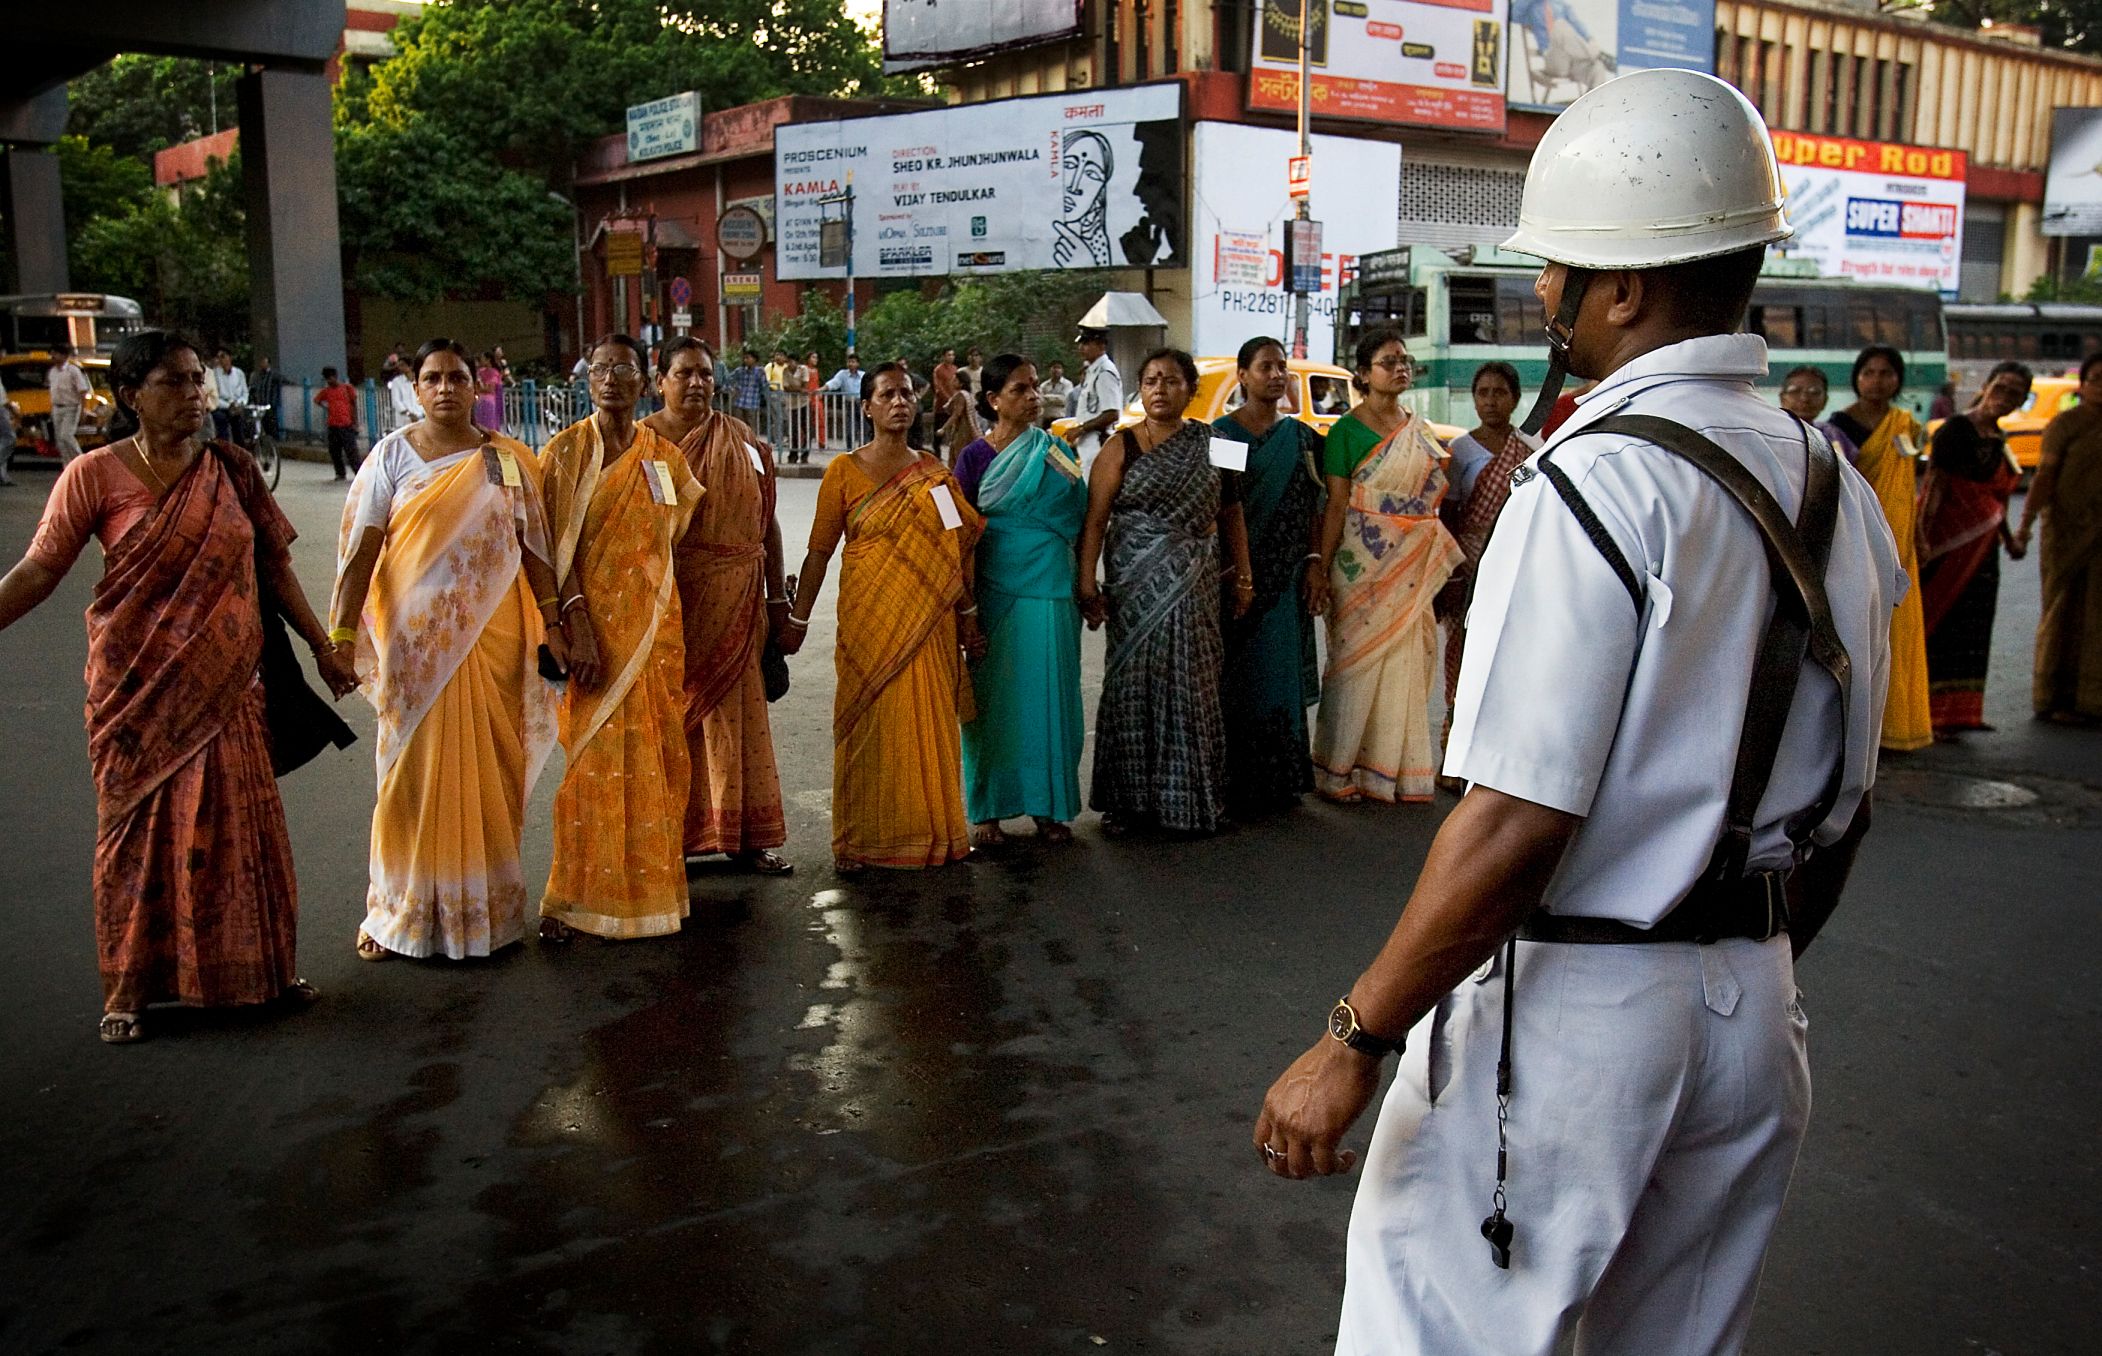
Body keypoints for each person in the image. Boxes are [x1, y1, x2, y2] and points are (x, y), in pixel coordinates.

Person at [1253, 70, 1900, 1356]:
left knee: (1437, 1332)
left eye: (1554, 270)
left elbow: (1511, 822)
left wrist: (1353, 1035)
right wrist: (1731, 964)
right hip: (1754, 1013)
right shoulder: (1834, 484)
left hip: (1579, 1015)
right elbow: (1848, 802)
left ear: (1622, 288)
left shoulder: (1595, 480)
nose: (1541, 296)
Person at [0, 330, 355, 1043]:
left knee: (241, 828)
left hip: (230, 686)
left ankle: (263, 975)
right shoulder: (96, 476)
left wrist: (324, 646)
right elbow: (41, 570)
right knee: (136, 835)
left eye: (198, 380)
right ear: (132, 396)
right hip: (136, 690)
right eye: (175, 383)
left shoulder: (233, 468)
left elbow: (275, 568)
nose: (195, 395)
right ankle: (132, 991)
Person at [330, 338, 566, 962]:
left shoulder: (507, 459)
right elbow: (362, 553)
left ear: (476, 386)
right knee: (406, 777)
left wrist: (555, 623)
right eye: (431, 378)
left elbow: (537, 549)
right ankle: (395, 913)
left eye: (456, 378)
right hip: (415, 647)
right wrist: (342, 635)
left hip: (494, 642)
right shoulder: (390, 458)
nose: (444, 389)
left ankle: (484, 914)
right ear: (413, 386)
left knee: (492, 768)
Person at [780, 363, 986, 873]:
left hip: (930, 625)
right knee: (866, 725)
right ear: (868, 406)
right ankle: (860, 842)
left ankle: (934, 834)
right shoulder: (844, 471)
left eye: (908, 393)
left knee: (929, 722)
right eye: (888, 394)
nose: (900, 402)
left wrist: (970, 617)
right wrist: (798, 620)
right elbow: (818, 552)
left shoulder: (935, 473)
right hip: (869, 621)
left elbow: (958, 552)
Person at [536, 335, 701, 941]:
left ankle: (654, 895)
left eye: (623, 369)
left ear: (643, 380)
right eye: (600, 369)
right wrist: (572, 621)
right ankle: (576, 900)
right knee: (592, 764)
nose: (611, 379)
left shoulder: (664, 458)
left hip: (656, 633)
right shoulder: (565, 451)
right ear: (587, 379)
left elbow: (670, 537)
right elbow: (552, 548)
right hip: (592, 633)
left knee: (658, 757)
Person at [1077, 347, 1254, 836]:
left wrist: (1244, 576)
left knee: (1193, 686)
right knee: (1133, 684)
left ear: (1190, 390)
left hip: (1197, 586)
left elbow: (1233, 514)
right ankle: (1127, 804)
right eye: (1151, 380)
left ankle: (1193, 800)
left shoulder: (1218, 442)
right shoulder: (1120, 446)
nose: (1160, 389)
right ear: (1141, 389)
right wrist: (1086, 581)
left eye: (1171, 381)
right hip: (1134, 588)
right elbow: (1095, 520)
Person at [642, 337, 794, 875]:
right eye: (683, 373)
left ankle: (747, 838)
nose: (697, 383)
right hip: (670, 603)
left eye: (705, 374)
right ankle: (672, 839)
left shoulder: (742, 440)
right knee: (672, 721)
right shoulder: (641, 445)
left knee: (739, 720)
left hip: (740, 597)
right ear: (659, 382)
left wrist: (778, 600)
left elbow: (767, 521)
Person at [1311, 331, 1463, 805]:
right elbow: (1336, 505)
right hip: (1360, 564)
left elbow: (1430, 500)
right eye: (1387, 361)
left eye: (1404, 360)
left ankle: (1387, 770)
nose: (1400, 367)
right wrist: (1320, 563)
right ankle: (1337, 770)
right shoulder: (1344, 432)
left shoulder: (1420, 430)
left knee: (1407, 661)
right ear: (1363, 374)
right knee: (1353, 666)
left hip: (1411, 565)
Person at [952, 353, 1089, 847]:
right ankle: (987, 809)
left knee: (1050, 696)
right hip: (993, 589)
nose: (1033, 397)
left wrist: (1087, 581)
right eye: (1020, 389)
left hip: (1052, 587)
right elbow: (958, 530)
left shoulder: (1054, 449)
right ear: (993, 401)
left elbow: (1080, 513)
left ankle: (1049, 807)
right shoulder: (973, 458)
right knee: (991, 703)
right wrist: (962, 606)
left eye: (1034, 387)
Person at [1210, 336, 1327, 817]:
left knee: (1277, 678)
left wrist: (1316, 559)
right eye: (1265, 367)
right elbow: (1219, 505)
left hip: (1283, 579)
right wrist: (1231, 572)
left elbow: (1317, 503)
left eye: (1281, 367)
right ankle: (1237, 781)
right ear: (1242, 376)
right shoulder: (1223, 434)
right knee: (1236, 680)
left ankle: (1281, 780)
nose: (1276, 375)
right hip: (1235, 578)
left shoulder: (1301, 439)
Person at [1436, 361, 1539, 791]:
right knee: (1463, 659)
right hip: (1468, 564)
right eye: (1483, 393)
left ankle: (1496, 763)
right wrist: (1454, 570)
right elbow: (1449, 511)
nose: (1490, 401)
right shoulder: (1459, 450)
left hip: (1516, 562)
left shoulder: (1533, 447)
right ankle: (1452, 757)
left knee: (1508, 660)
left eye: (1499, 392)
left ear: (1515, 398)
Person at [1919, 360, 2032, 736]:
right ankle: (1926, 713)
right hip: (1948, 546)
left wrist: (2011, 539)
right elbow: (1936, 484)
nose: (2005, 397)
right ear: (1985, 386)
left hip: (1983, 554)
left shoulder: (1999, 439)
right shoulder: (1957, 429)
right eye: (2001, 387)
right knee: (1940, 624)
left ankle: (1961, 714)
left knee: (1973, 629)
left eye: (2015, 394)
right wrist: (1922, 538)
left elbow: (1995, 502)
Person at [1829, 345, 1933, 751]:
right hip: (1857, 538)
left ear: (1898, 379)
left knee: (1899, 631)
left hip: (1900, 540)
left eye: (1886, 373)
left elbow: (1911, 485)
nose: (1877, 381)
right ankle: (1855, 731)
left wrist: (1917, 534)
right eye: (1869, 372)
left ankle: (1897, 725)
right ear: (1856, 377)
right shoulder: (1838, 426)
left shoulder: (1906, 425)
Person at [2015, 351, 2102, 725]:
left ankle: (2092, 698)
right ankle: (2055, 696)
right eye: (2096, 378)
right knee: (2062, 610)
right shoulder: (2065, 424)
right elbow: (2045, 477)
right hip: (2066, 532)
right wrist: (2026, 523)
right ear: (2082, 385)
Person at [1069, 327, 1124, 471]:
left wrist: (1081, 429)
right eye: (1081, 344)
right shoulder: (1092, 371)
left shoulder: (1105, 372)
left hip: (1098, 444)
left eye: (1087, 343)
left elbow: (1112, 413)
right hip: (1088, 446)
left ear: (1101, 345)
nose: (1081, 348)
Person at [313, 367, 361, 480]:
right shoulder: (326, 391)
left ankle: (358, 473)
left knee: (351, 451)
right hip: (333, 425)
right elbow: (316, 400)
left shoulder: (347, 388)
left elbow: (354, 405)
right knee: (335, 451)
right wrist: (327, 407)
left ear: (335, 377)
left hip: (346, 424)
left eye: (331, 378)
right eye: (327, 379)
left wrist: (355, 421)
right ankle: (340, 473)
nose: (330, 381)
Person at [48, 345, 93, 464]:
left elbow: (82, 391)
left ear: (64, 356)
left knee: (66, 435)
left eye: (55, 354)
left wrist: (83, 410)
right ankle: (67, 465)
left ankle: (82, 461)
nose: (52, 357)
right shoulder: (52, 372)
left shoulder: (73, 370)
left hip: (71, 407)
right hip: (57, 408)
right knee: (60, 440)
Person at [824, 354, 867, 446]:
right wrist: (823, 388)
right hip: (849, 403)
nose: (851, 364)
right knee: (849, 429)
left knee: (864, 429)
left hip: (861, 403)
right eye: (849, 362)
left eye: (853, 362)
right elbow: (834, 383)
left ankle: (863, 451)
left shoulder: (863, 375)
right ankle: (850, 451)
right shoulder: (843, 374)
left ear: (858, 364)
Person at [209, 349, 249, 444]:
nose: (220, 360)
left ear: (229, 357)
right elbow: (215, 396)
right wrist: (229, 405)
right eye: (218, 357)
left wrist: (240, 403)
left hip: (237, 406)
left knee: (240, 427)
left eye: (223, 356)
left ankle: (241, 450)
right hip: (223, 406)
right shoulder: (214, 374)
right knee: (222, 423)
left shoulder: (239, 373)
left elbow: (245, 393)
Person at [729, 349, 769, 442]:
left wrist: (764, 397)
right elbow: (728, 379)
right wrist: (732, 389)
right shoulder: (740, 370)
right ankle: (739, 443)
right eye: (745, 358)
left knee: (751, 425)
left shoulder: (759, 372)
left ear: (754, 359)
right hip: (739, 401)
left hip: (752, 402)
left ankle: (751, 444)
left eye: (748, 358)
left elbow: (764, 385)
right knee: (737, 424)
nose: (746, 360)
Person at [931, 348, 961, 458]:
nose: (951, 357)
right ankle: (937, 453)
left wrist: (956, 399)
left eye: (952, 355)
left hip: (954, 403)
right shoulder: (938, 370)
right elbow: (938, 387)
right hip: (941, 406)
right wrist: (948, 399)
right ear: (943, 356)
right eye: (949, 355)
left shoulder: (955, 369)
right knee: (939, 430)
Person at [388, 359, 424, 432]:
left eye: (402, 365)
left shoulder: (419, 380)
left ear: (410, 367)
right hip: (404, 421)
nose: (399, 368)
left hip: (421, 418)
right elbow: (396, 401)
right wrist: (409, 414)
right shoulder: (397, 381)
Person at [804, 349, 828, 456]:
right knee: (805, 422)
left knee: (820, 420)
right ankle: (803, 442)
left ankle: (822, 442)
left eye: (816, 358)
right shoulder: (804, 369)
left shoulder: (816, 371)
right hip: (807, 398)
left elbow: (816, 383)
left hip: (816, 398)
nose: (815, 360)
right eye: (813, 357)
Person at [1039, 359, 1075, 428]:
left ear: (1062, 370)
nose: (1056, 370)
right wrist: (1056, 398)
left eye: (1058, 368)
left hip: (1061, 418)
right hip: (1046, 419)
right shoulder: (1044, 385)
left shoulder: (1067, 384)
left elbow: (1064, 400)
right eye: (1053, 367)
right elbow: (1041, 400)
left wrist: (1047, 397)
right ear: (1050, 370)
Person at [474, 351, 505, 430]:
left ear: (488, 360)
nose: (481, 361)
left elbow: (490, 389)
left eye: (483, 359)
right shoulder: (480, 372)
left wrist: (481, 386)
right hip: (481, 400)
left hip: (488, 401)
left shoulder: (493, 373)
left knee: (488, 426)